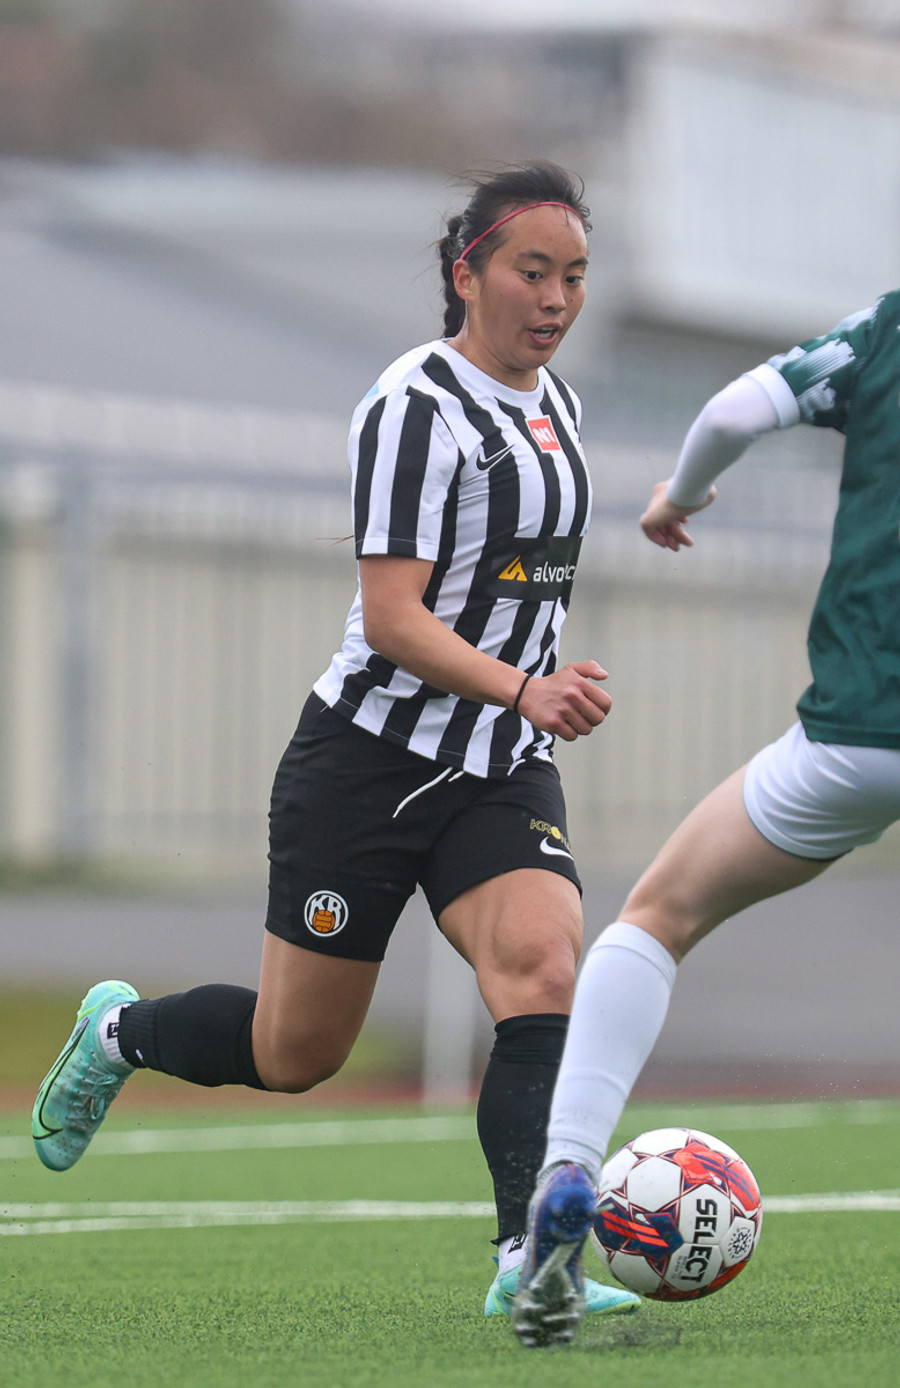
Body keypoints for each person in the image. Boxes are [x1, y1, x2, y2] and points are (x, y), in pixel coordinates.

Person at [31, 160, 640, 1323]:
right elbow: (396, 618)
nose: (557, 298)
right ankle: (116, 1033)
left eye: (574, 276)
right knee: (296, 1051)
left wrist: (529, 693)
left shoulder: (559, 407)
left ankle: (530, 1258)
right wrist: (526, 686)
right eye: (533, 271)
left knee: (544, 967)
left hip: (497, 764)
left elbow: (515, 578)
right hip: (366, 766)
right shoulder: (413, 406)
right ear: (467, 272)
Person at [511, 292, 900, 1347]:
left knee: (655, 917)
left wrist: (678, 497)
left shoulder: (887, 330)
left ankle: (568, 1171)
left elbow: (732, 410)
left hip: (861, 732)